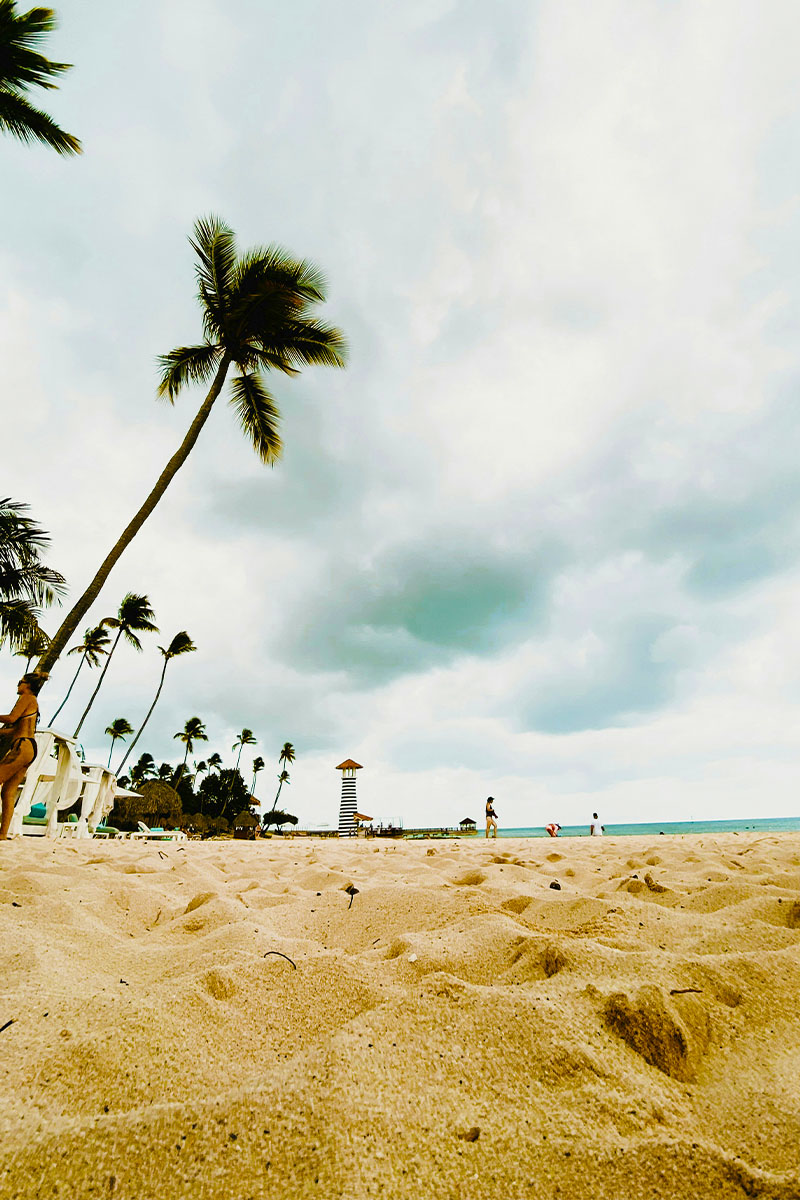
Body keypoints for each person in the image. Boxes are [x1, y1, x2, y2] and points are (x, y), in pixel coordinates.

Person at [0, 674, 44, 840]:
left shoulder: (27, 697)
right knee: (7, 792)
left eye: (20, 682)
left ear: (27, 685)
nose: (18, 685)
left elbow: (11, 718)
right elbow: (14, 729)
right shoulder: (33, 702)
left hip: (22, 746)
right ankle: (3, 834)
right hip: (29, 748)